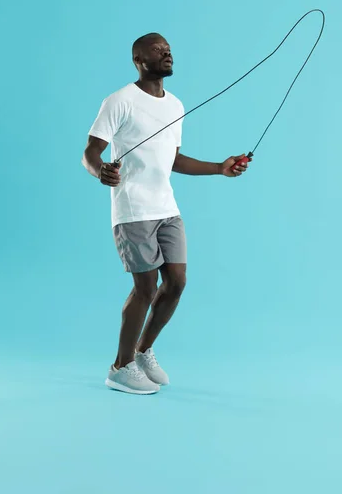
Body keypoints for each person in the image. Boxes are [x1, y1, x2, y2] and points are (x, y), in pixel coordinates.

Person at [82, 33, 250, 395]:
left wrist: (219, 168)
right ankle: (120, 367)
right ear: (138, 59)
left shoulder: (175, 105)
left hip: (166, 208)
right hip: (133, 209)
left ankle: (142, 352)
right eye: (158, 50)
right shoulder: (119, 101)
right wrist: (100, 171)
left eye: (169, 49)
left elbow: (173, 159)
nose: (167, 53)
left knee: (176, 282)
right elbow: (90, 152)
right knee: (145, 289)